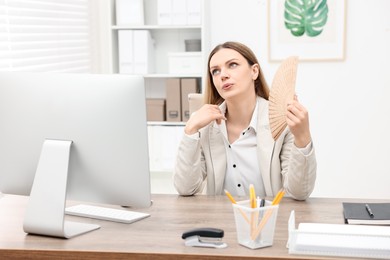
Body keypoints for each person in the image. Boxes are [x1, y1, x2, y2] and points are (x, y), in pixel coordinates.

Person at [173, 41, 316, 200]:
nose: (223, 75)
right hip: (220, 219)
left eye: (232, 65)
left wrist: (302, 137)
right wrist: (190, 130)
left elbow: (299, 193)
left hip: (268, 218)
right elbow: (185, 188)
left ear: (254, 71)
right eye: (215, 71)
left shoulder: (283, 121)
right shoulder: (205, 125)